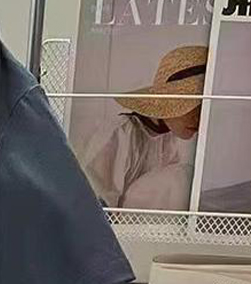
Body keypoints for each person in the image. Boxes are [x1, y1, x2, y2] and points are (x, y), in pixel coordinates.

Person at [79, 45, 208, 210]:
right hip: (113, 223)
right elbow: (91, 199)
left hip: (153, 224)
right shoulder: (119, 133)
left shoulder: (170, 138)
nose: (198, 119)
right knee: (180, 178)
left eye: (203, 109)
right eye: (192, 107)